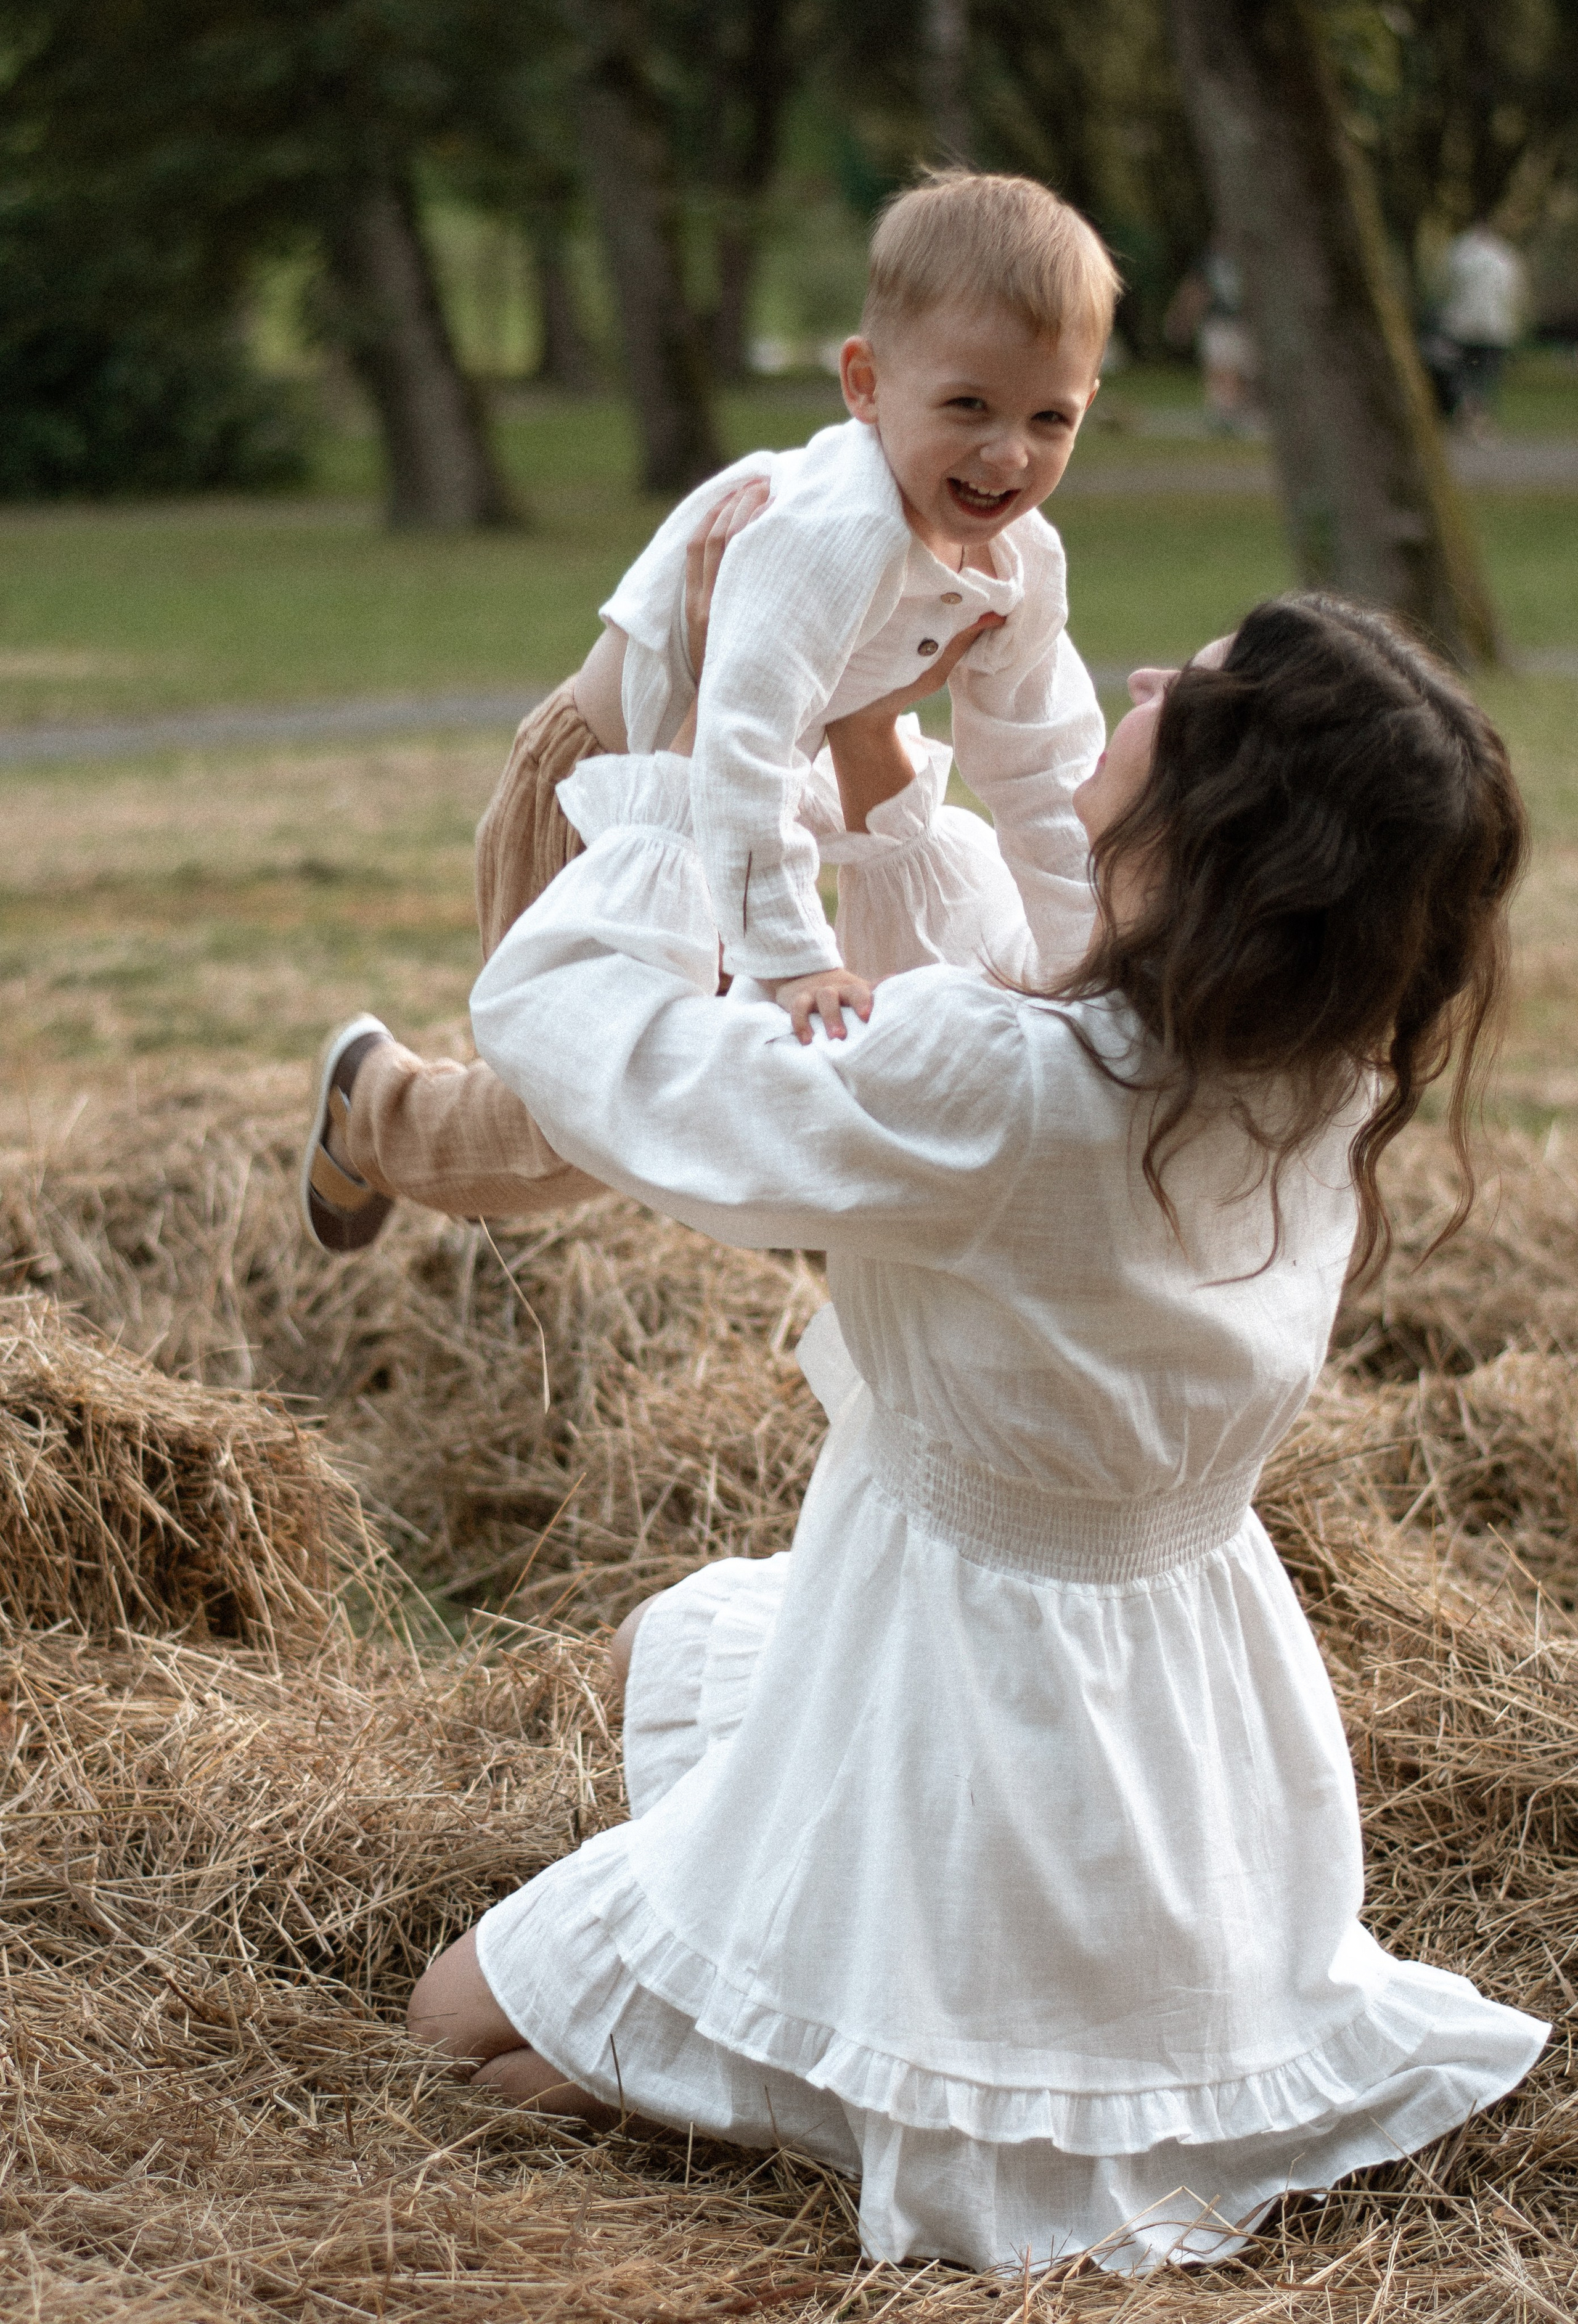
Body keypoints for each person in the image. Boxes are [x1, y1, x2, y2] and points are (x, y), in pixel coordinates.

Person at [406, 595, 1545, 2276]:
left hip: (969, 1710)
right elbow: (1009, 1006)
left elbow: (636, 1072)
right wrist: (871, 752)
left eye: (1195, 687)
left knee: (454, 2031)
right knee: (693, 1666)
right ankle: (876, 2033)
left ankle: (846, 2069)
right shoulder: (1305, 1078)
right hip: (1176, 1730)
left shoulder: (1009, 1091)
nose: (1147, 679)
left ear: (1218, 819)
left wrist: (681, 788)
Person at [301, 168, 1116, 1253]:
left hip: (754, 812)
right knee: (584, 1109)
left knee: (696, 1101)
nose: (1007, 453)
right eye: (967, 406)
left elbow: (1041, 763)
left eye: (1047, 418)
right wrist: (789, 957)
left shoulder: (1022, 559)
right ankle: (377, 1107)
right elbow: (738, 739)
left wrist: (1096, 970)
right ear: (867, 386)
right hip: (608, 784)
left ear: (1087, 407)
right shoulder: (831, 533)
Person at [1426, 223, 1526, 433]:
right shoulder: (1504, 256)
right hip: (1494, 328)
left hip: (1462, 326)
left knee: (1462, 373)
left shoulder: (1459, 252)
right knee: (1484, 375)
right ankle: (1479, 415)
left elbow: (1442, 287)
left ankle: (1467, 412)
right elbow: (1513, 293)